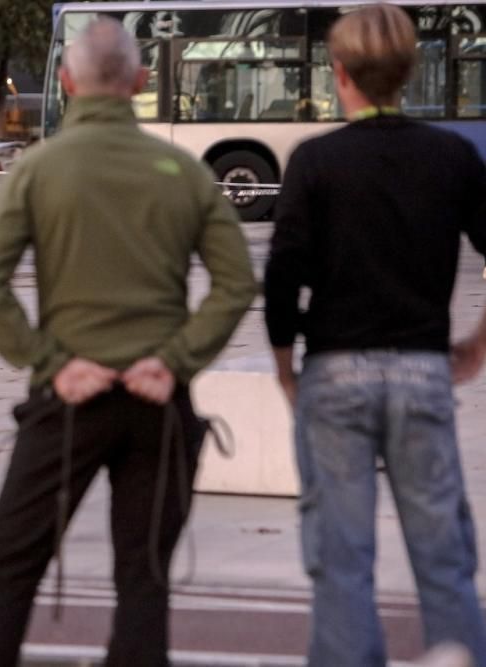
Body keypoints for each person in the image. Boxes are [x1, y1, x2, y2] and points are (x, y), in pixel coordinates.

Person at [0, 17, 257, 667]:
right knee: (144, 579)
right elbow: (236, 284)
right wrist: (175, 360)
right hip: (158, 400)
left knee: (12, 568)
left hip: (67, 398)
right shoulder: (183, 172)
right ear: (142, 82)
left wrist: (52, 361)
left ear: (66, 82)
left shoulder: (38, 169)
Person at [264, 5, 486, 666]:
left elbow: (283, 277)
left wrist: (284, 366)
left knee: (341, 554)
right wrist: (478, 341)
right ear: (411, 71)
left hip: (334, 370)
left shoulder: (315, 160)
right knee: (442, 551)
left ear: (339, 72)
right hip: (422, 367)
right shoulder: (451, 157)